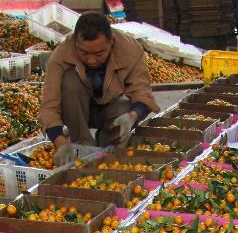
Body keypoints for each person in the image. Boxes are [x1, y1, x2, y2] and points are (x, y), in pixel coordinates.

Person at [39, 11, 159, 166]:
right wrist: (60, 142)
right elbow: (49, 105)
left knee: (124, 108)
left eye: (99, 53)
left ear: (111, 43)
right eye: (84, 53)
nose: (91, 60)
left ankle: (107, 141)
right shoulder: (62, 54)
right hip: (76, 110)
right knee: (69, 81)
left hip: (110, 109)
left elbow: (142, 91)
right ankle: (81, 141)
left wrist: (133, 116)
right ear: (75, 43)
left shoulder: (130, 50)